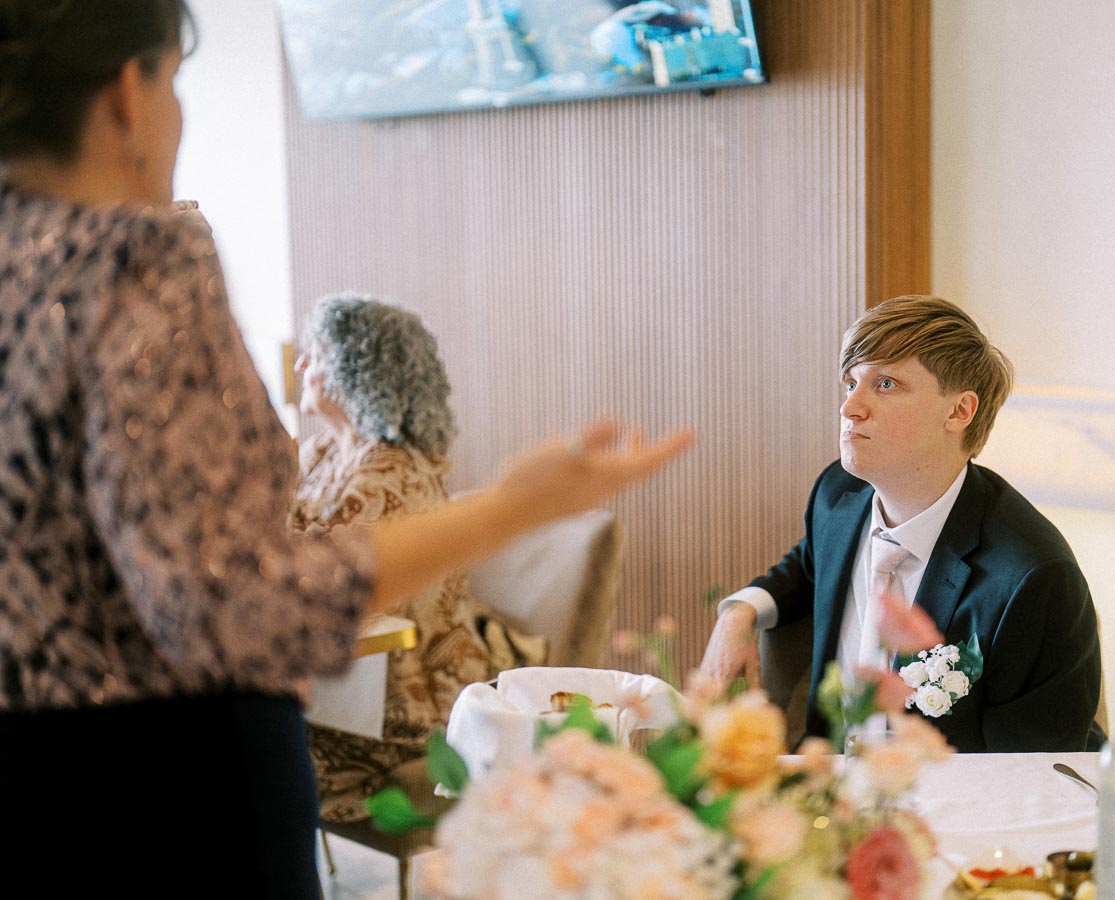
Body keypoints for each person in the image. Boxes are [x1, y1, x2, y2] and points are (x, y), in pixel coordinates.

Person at [0, 2, 692, 897]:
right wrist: (516, 504)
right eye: (174, 81)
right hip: (165, 795)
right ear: (130, 93)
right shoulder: (135, 259)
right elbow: (236, 610)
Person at [700, 296, 1103, 753]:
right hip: (826, 795)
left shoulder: (1033, 579)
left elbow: (1032, 779)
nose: (850, 407)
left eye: (885, 383)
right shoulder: (838, 495)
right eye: (851, 382)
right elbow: (808, 566)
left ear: (959, 412)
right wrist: (740, 612)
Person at [292, 292, 548, 823]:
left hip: (395, 708)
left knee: (227, 748)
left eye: (313, 355)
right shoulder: (321, 453)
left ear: (351, 369)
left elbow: (323, 590)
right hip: (341, 684)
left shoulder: (391, 474)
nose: (299, 366)